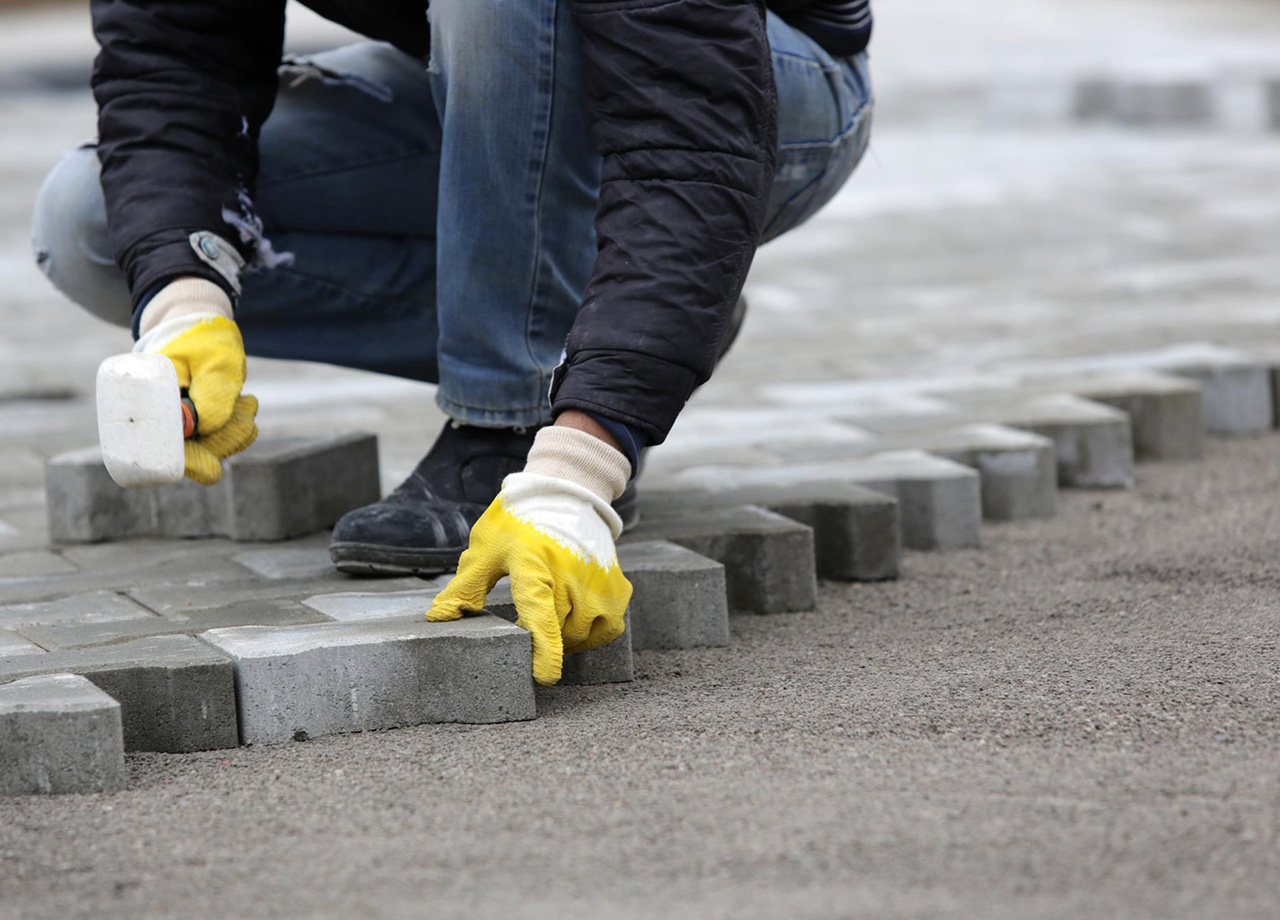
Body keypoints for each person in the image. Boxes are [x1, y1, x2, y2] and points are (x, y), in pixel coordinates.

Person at [32, 0, 873, 684]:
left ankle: (513, 414)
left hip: (764, 88)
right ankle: (615, 318)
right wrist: (184, 301)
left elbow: (691, 133)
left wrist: (584, 463)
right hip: (498, 63)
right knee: (96, 227)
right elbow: (171, 60)